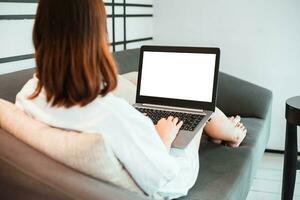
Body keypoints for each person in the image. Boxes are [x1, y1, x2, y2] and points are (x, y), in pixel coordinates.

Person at [15, 0, 246, 199]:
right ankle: (234, 133)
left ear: (40, 33)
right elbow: (164, 177)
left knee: (181, 103)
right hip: (171, 171)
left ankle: (226, 130)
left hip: (124, 126)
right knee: (196, 110)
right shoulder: (109, 113)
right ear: (97, 39)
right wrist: (162, 139)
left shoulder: (27, 94)